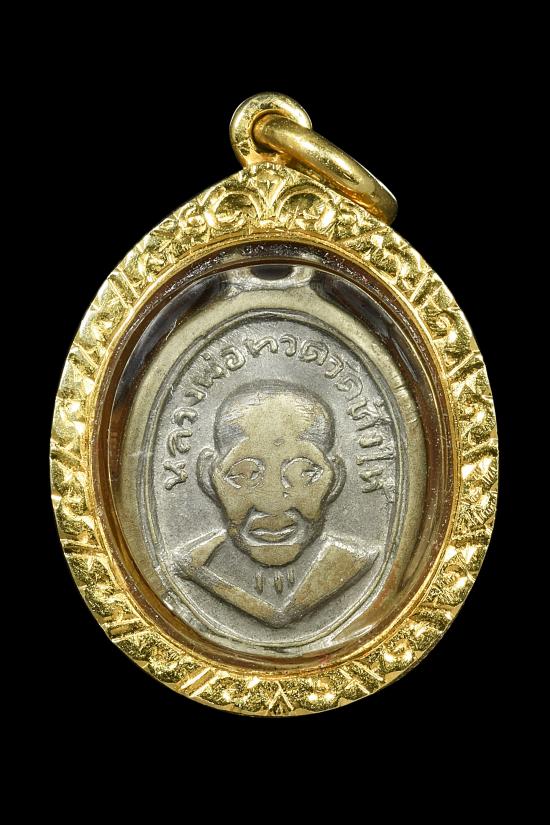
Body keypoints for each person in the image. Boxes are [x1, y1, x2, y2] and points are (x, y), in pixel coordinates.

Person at [172, 380, 378, 628]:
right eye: (243, 474)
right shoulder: (195, 566)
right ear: (208, 477)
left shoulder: (353, 563)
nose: (273, 505)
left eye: (303, 472)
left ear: (336, 478)